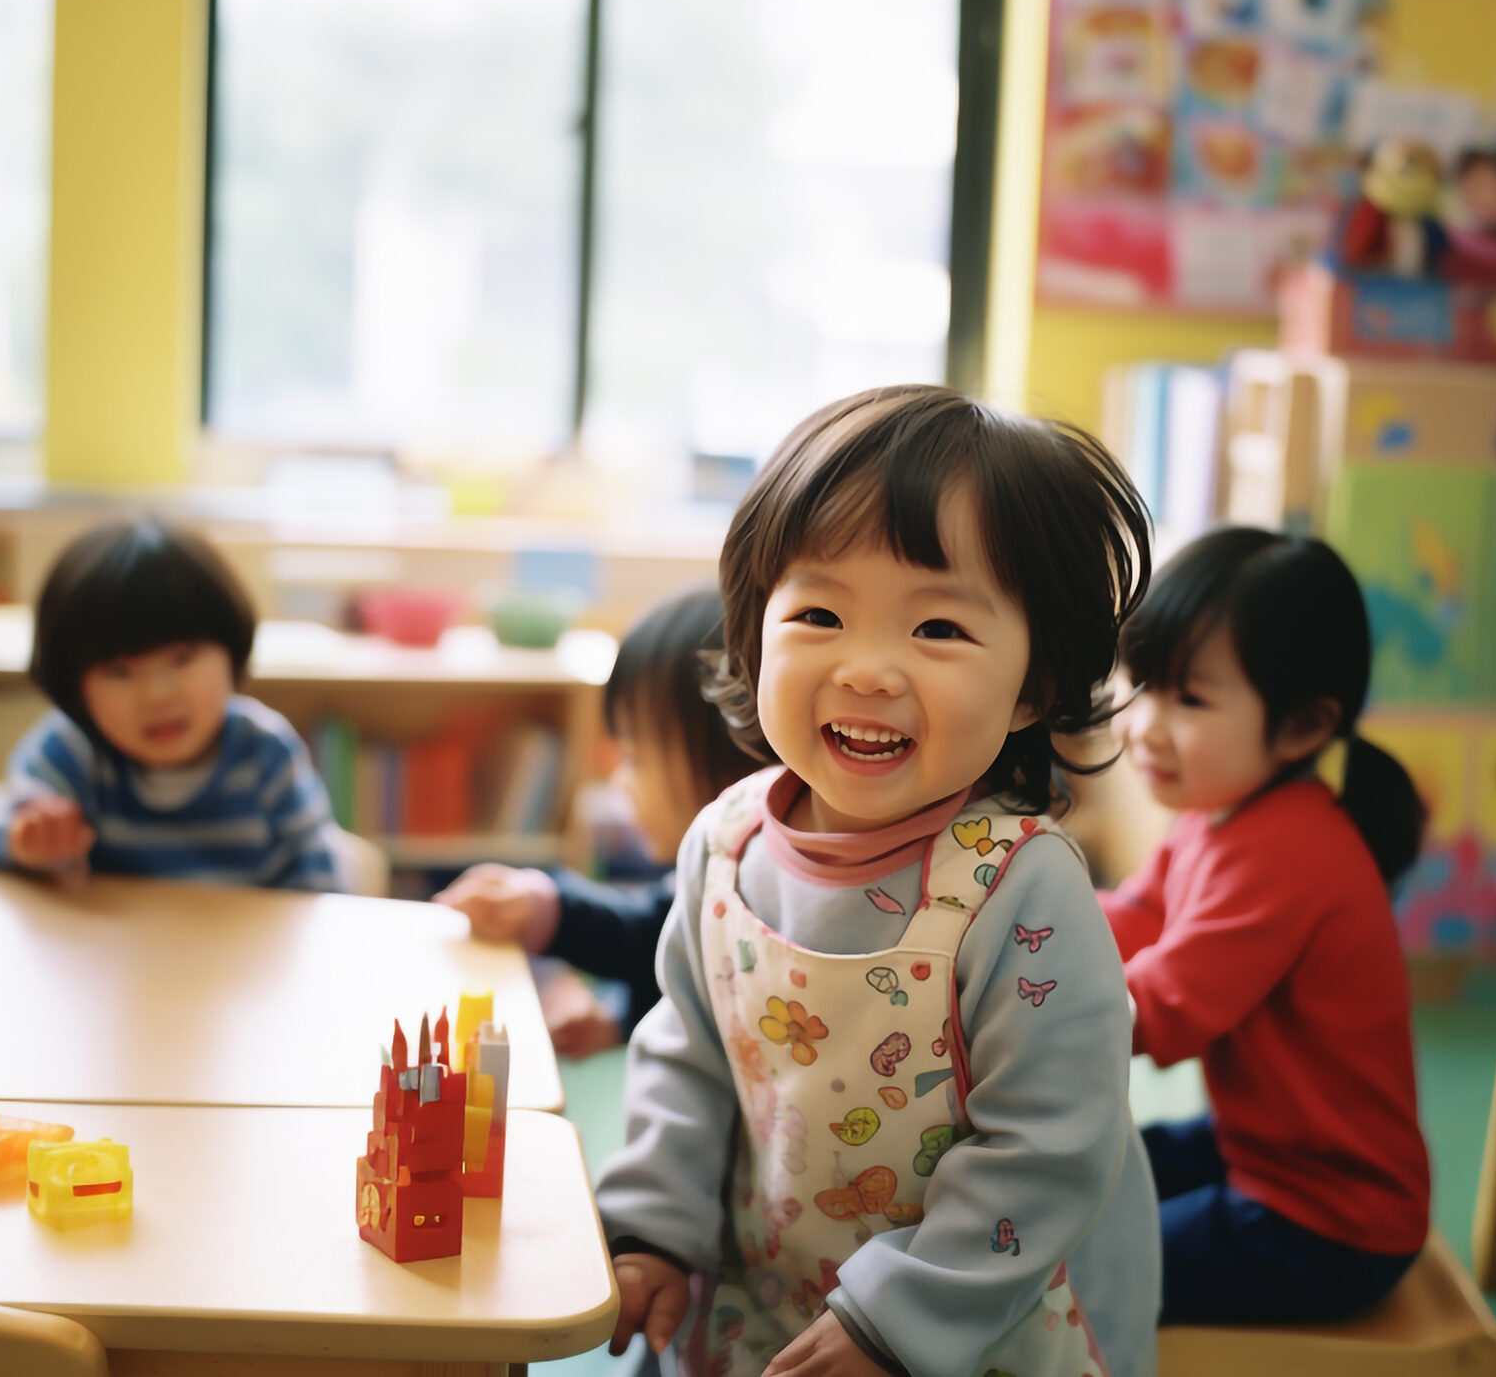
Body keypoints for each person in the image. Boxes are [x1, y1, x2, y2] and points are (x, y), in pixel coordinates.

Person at [597, 385, 1160, 1377]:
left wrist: (896, 1321)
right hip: (761, 1291)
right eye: (819, 613)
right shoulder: (723, 843)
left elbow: (1048, 1149)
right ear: (753, 625)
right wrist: (651, 1226)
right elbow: (686, 1049)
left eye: (938, 630)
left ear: (1031, 684)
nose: (867, 669)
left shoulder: (1019, 892)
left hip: (960, 1320)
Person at [1101, 528, 1431, 1323]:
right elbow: (1138, 916)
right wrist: (1019, 932)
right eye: (1141, 682)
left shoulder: (1286, 852)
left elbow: (1161, 1010)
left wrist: (1018, 1005)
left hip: (1325, 1220)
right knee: (1077, 1171)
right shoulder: (1221, 813)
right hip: (1264, 1148)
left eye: (1189, 698)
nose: (1144, 723)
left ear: (1303, 728)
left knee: (1074, 1259)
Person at [437, 588, 766, 1056]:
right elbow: (663, 943)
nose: (620, 781)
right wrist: (618, 1020)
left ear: (736, 766)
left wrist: (550, 911)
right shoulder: (711, 872)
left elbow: (650, 932)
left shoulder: (763, 894)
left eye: (634, 757)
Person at [0, 516, 345, 889]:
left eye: (183, 658)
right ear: (74, 685)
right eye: (120, 671)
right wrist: (24, 841)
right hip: (108, 957)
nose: (157, 695)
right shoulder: (73, 752)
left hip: (245, 957)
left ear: (232, 650)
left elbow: (319, 884)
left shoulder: (264, 755)